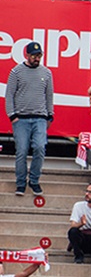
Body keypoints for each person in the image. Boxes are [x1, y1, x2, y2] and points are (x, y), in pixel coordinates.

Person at [6, 41, 53, 197]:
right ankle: (20, 183)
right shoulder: (16, 72)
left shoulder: (46, 73)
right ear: (27, 55)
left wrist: (49, 114)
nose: (37, 58)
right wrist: (12, 115)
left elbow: (49, 95)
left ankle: (34, 180)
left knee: (40, 148)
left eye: (39, 55)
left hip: (40, 118)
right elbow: (9, 95)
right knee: (22, 151)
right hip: (21, 119)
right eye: (34, 55)